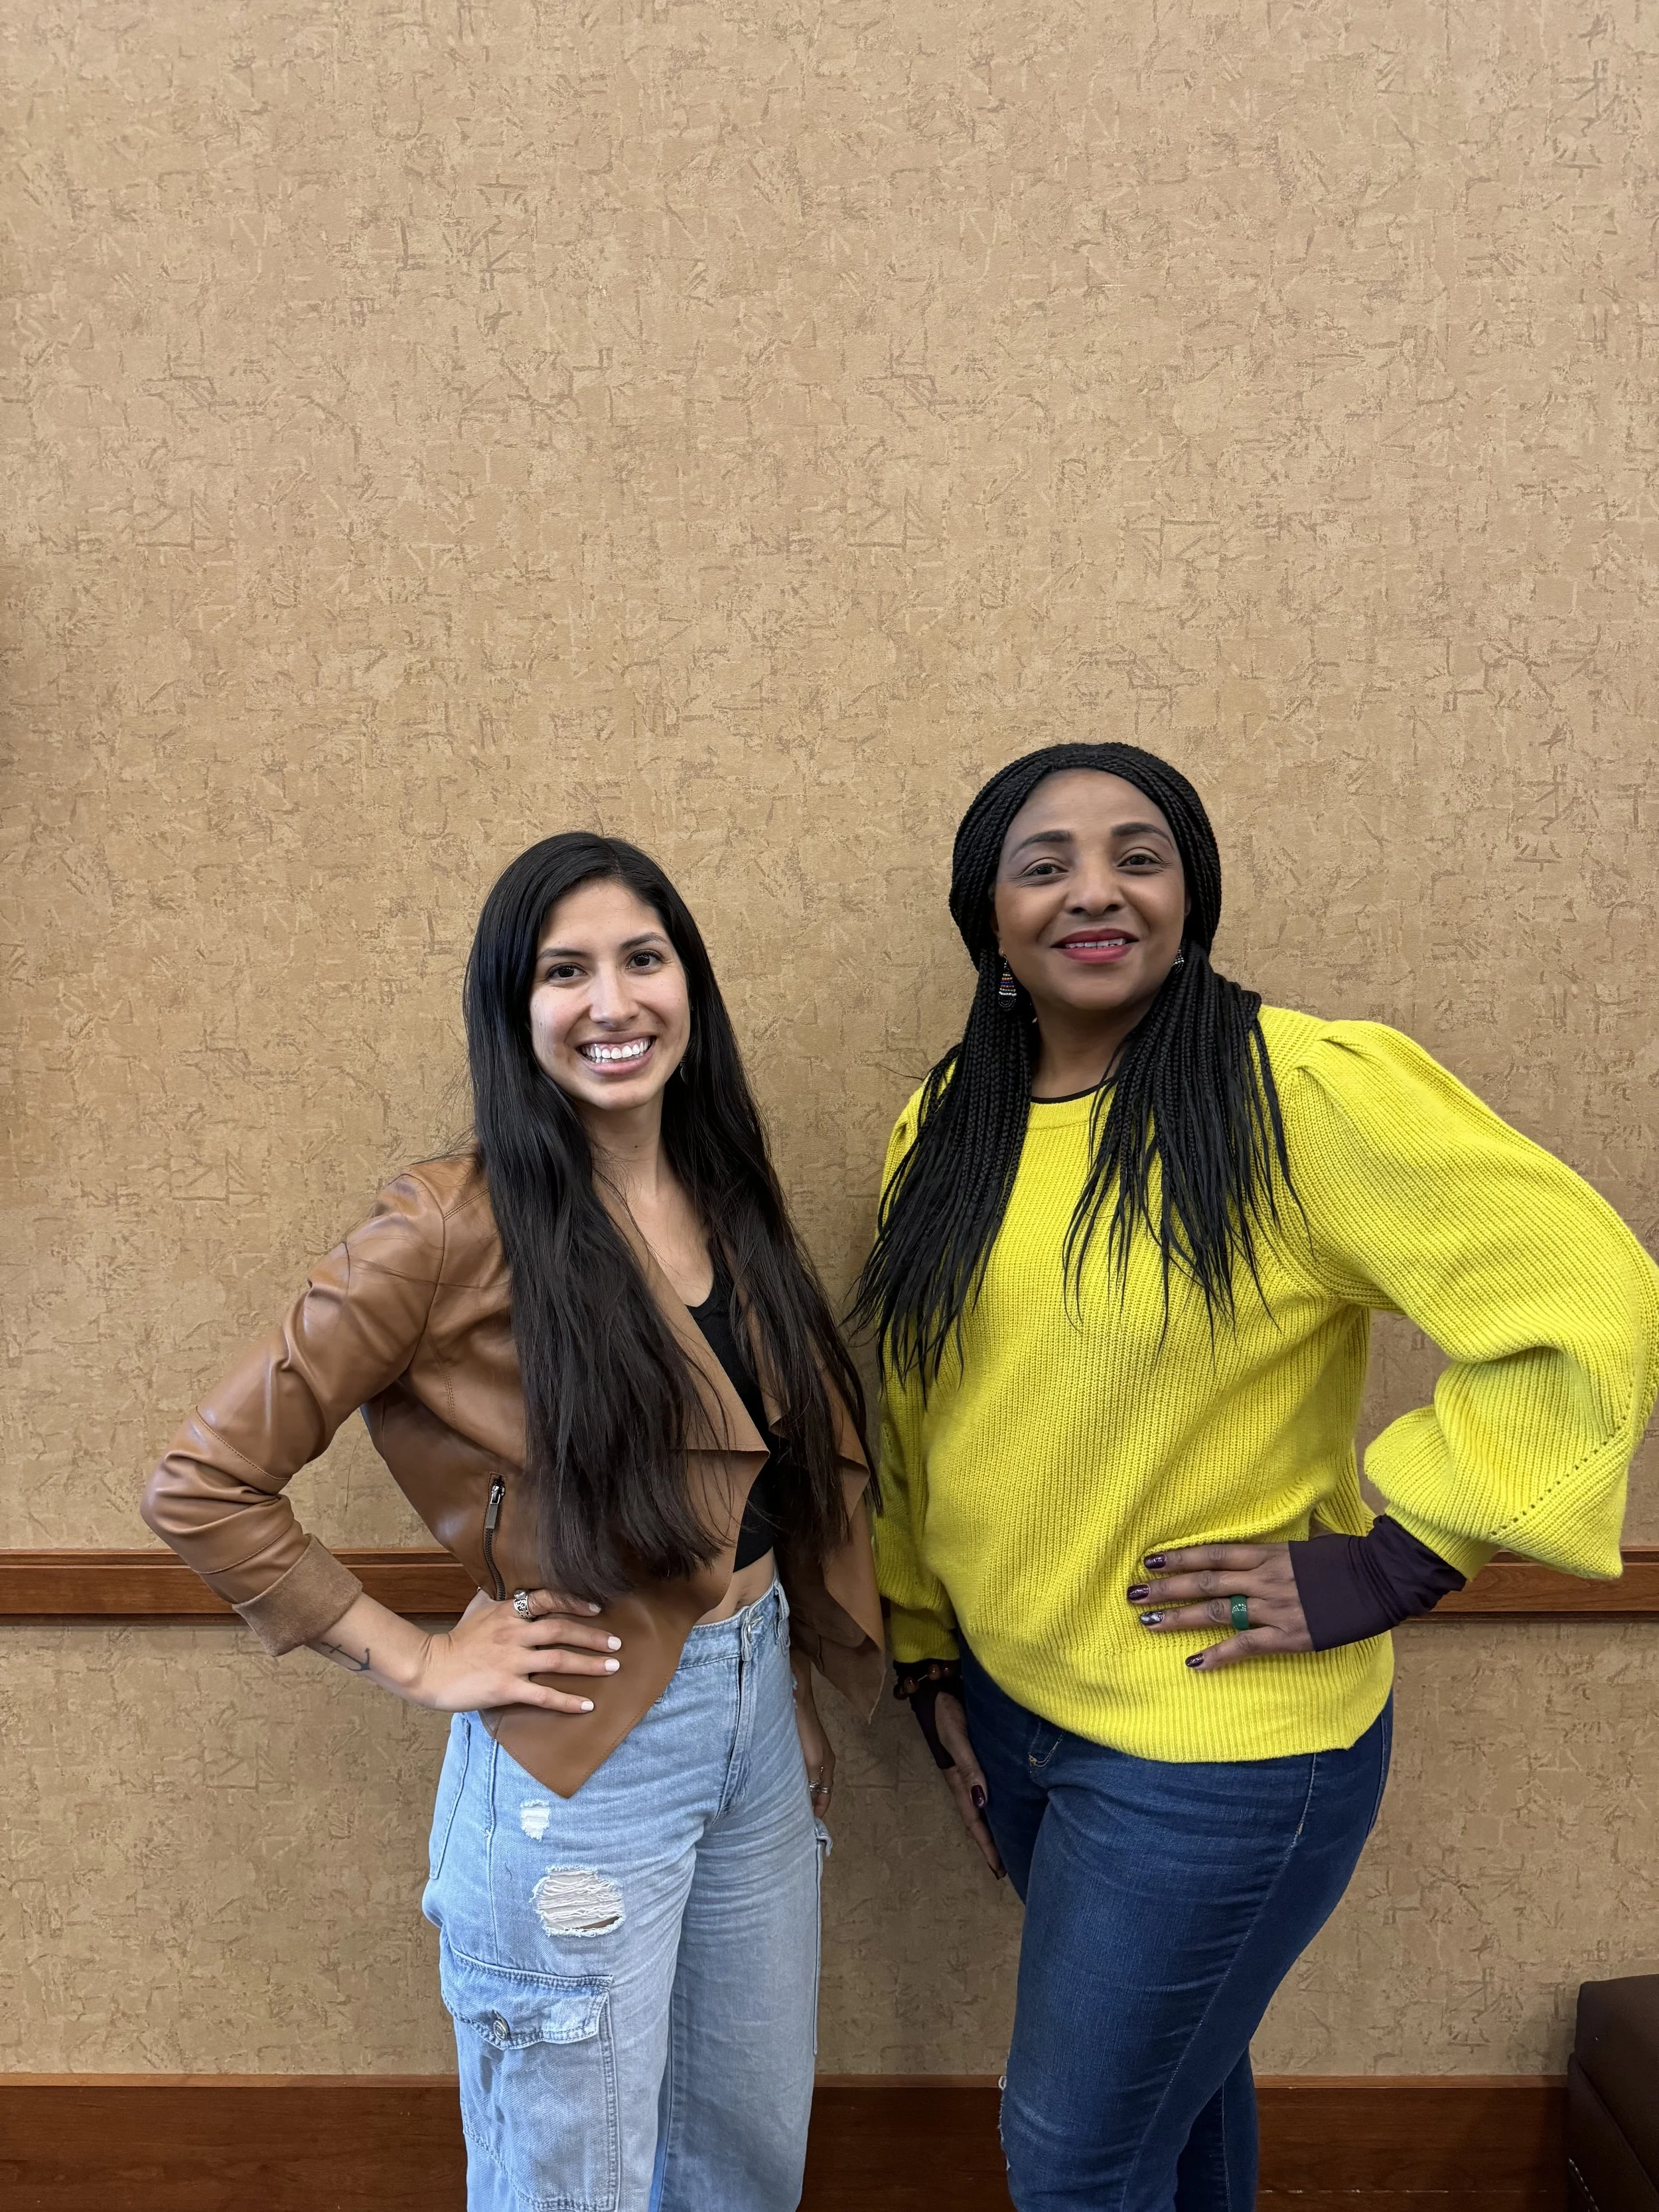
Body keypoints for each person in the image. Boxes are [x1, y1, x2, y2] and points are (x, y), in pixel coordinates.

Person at [854, 743, 1659, 2212]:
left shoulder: (1294, 1090)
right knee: (1170, 2104)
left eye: (1138, 855)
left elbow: (1586, 1294)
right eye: (1044, 863)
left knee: (1073, 2160)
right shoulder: (949, 1119)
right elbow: (922, 1414)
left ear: (1191, 892)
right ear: (987, 912)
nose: (1095, 890)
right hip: (1016, 1712)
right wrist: (925, 1655)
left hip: (1214, 1750)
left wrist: (1396, 1560)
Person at [142, 833, 884, 2212]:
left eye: (642, 959)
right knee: (572, 2184)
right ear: (512, 1005)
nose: (613, 1002)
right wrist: (419, 1659)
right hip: (585, 1750)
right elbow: (204, 1482)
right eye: (565, 971)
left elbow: (756, 1480)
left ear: (689, 982)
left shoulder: (724, 1186)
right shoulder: (445, 1225)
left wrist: (774, 1681)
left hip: (753, 1732)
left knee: (741, 2165)